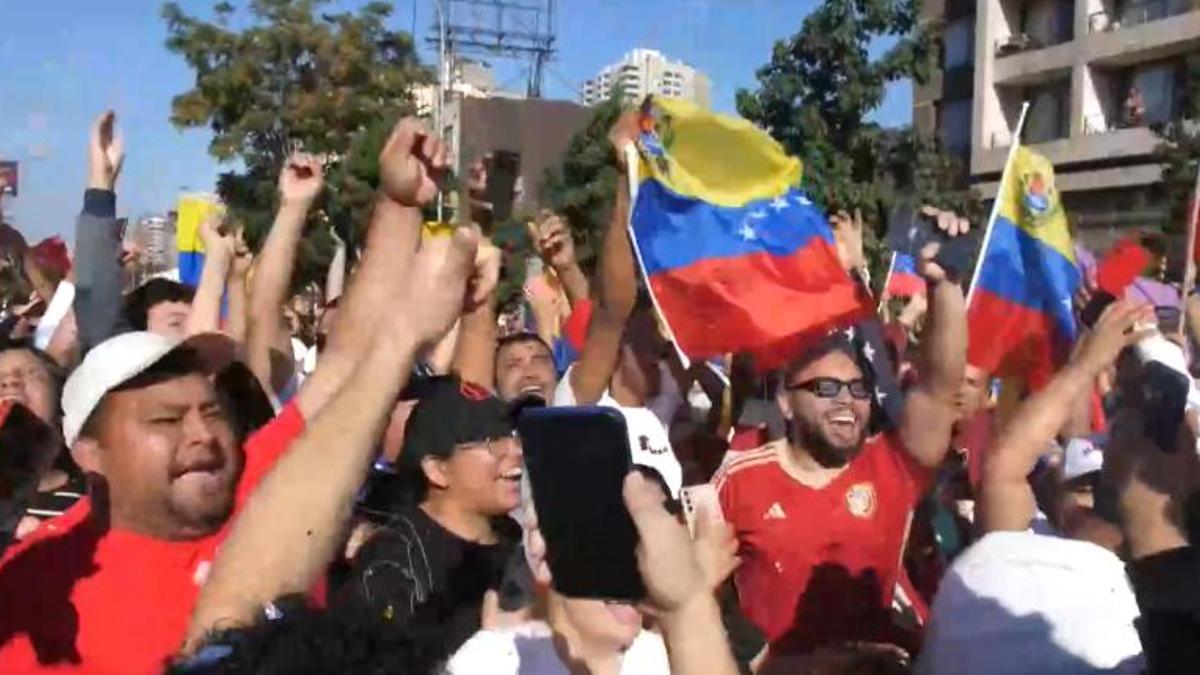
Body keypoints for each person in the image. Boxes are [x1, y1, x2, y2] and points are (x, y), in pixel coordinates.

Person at [0, 112, 439, 674]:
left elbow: (347, 365)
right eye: (164, 421)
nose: (203, 435)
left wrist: (401, 206)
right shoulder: (37, 581)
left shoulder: (263, 488)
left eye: (212, 411)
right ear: (89, 452)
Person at [713, 208, 970, 657]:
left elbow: (939, 389)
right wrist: (761, 660)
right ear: (786, 403)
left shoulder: (892, 467)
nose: (847, 400)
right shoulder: (738, 481)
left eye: (858, 388)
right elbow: (692, 593)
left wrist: (944, 284)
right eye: (826, 388)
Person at [917, 300, 1152, 674]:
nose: (1097, 499)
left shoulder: (1151, 573)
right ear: (1054, 484)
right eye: (1086, 485)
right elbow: (1005, 464)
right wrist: (1085, 365)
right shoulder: (1015, 537)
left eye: (1107, 489)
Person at [339, 376, 525, 660]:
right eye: (491, 441)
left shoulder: (520, 539)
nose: (515, 450)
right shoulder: (395, 560)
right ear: (437, 469)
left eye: (511, 434)